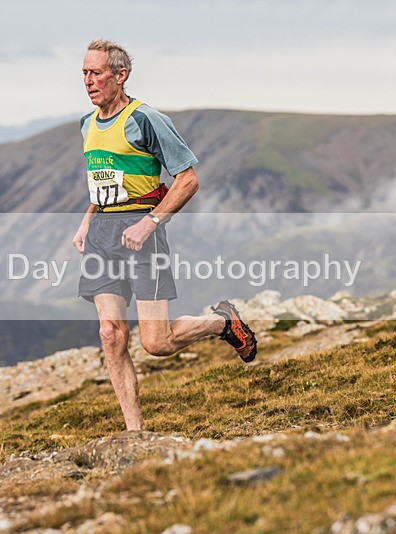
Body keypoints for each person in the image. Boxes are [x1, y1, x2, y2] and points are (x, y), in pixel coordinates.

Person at [72, 38, 257, 431]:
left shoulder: (146, 120)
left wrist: (150, 222)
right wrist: (88, 219)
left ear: (120, 75)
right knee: (110, 334)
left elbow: (188, 180)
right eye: (84, 73)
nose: (88, 81)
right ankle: (135, 434)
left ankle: (222, 322)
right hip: (102, 233)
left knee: (156, 343)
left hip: (142, 231)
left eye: (96, 73)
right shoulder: (87, 124)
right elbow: (104, 181)